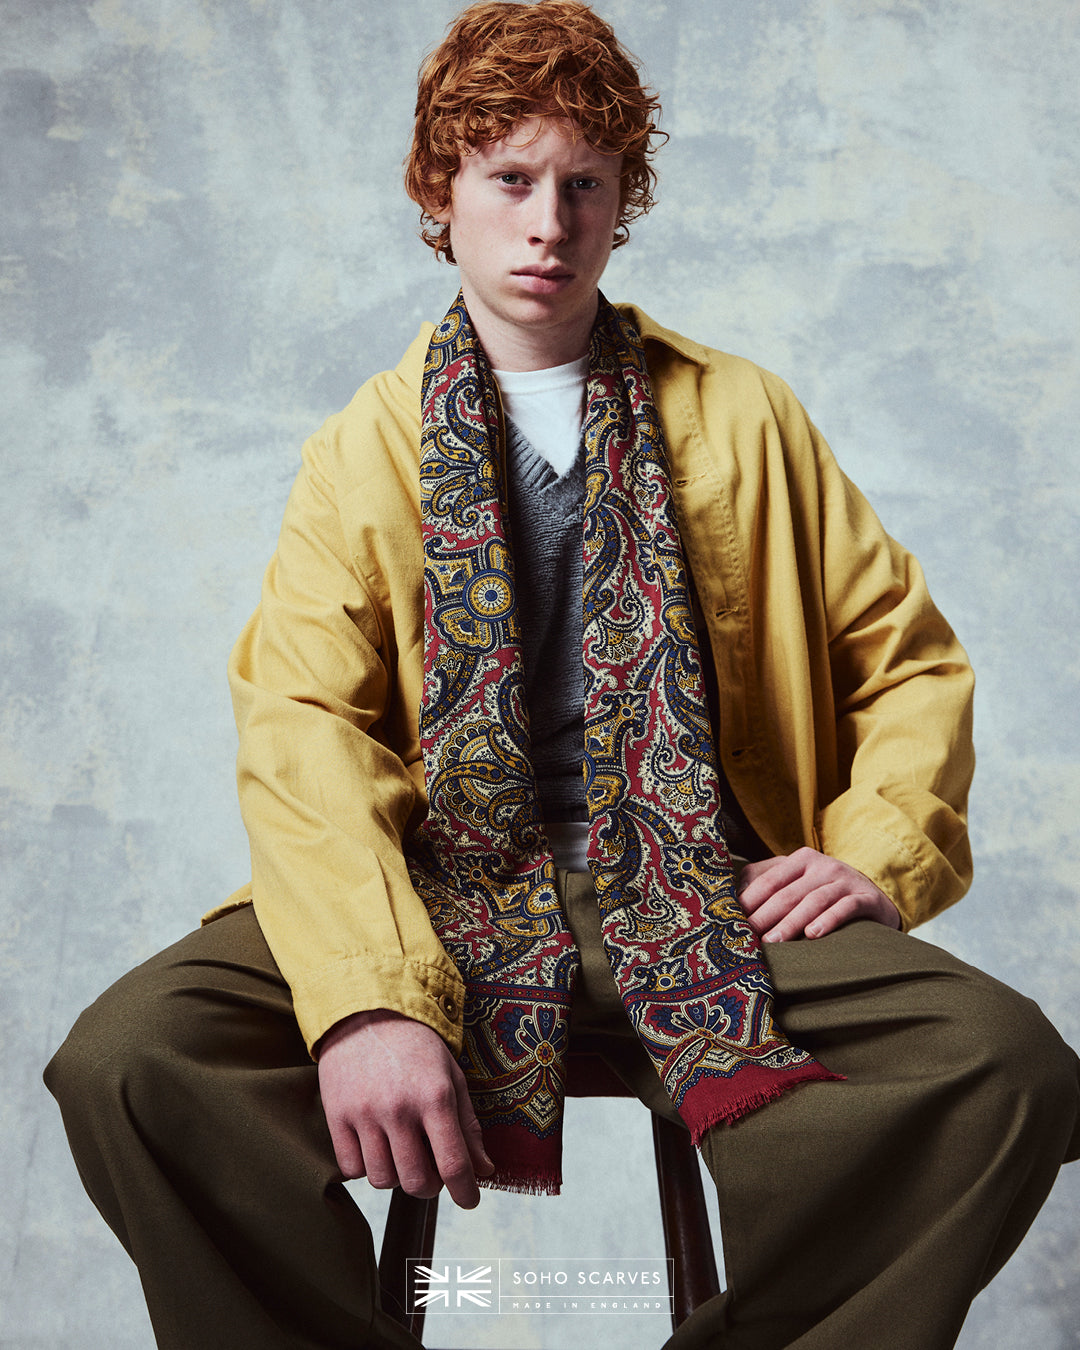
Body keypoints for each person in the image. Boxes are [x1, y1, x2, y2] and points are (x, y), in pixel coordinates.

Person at [45, 2, 1080, 1348]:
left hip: (702, 882)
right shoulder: (362, 447)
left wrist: (878, 846)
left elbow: (908, 656)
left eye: (585, 185)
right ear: (443, 191)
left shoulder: (744, 414)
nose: (549, 223)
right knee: (128, 1060)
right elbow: (302, 724)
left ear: (621, 203)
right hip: (435, 889)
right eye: (511, 180)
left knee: (1004, 1069)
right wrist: (366, 989)